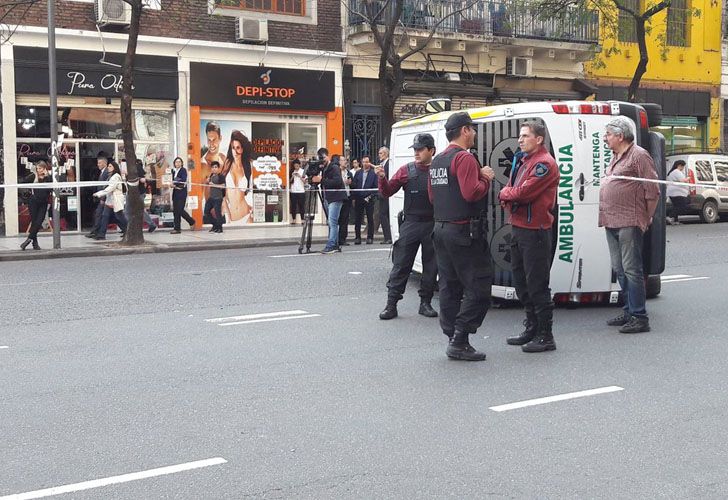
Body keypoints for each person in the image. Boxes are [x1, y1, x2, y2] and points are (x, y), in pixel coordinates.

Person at [428, 112, 494, 361]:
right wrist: (485, 178)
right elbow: (471, 193)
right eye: (472, 129)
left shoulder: (437, 161)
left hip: (441, 229)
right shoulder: (464, 158)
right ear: (465, 130)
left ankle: (452, 335)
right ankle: (460, 337)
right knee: (479, 285)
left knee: (449, 285)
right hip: (464, 230)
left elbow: (433, 197)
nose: (475, 134)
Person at [498, 121, 560, 353]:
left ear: (539, 139)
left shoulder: (544, 164)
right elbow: (515, 190)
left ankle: (546, 335)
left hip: (536, 231)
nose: (520, 140)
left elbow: (523, 193)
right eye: (520, 136)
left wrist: (506, 194)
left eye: (525, 136)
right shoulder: (525, 161)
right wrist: (509, 195)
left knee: (537, 284)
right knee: (522, 283)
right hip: (519, 226)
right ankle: (532, 327)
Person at [599, 117, 660, 334]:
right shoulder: (616, 156)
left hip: (629, 220)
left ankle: (639, 317)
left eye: (608, 134)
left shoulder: (639, 155)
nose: (605, 138)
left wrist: (647, 217)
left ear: (620, 136)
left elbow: (652, 190)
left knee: (632, 269)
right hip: (611, 220)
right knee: (620, 269)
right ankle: (629, 311)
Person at [377, 133, 438, 320]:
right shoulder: (406, 170)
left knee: (431, 266)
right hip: (411, 223)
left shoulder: (439, 170)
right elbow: (387, 191)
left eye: (420, 149)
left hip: (432, 223)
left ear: (431, 150)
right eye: (415, 149)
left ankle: (425, 303)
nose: (417, 153)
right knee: (401, 265)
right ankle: (391, 304)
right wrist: (381, 178)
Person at [311, 148, 346, 254]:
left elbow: (337, 182)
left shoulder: (334, 167)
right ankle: (334, 244)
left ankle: (331, 245)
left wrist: (321, 180)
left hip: (336, 197)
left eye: (324, 157)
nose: (322, 160)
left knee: (333, 221)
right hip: (328, 197)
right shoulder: (323, 168)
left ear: (328, 156)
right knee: (331, 222)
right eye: (320, 158)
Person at [92, 160, 128, 240]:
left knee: (119, 217)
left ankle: (129, 230)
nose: (108, 168)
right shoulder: (111, 176)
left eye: (110, 166)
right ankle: (101, 234)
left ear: (114, 168)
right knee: (105, 216)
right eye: (108, 166)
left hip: (115, 200)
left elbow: (110, 188)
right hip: (110, 200)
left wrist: (99, 194)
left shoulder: (115, 177)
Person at [223, 130, 253, 224]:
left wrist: (251, 205)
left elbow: (251, 188)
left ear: (242, 149)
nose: (235, 151)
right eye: (233, 148)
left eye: (238, 148)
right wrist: (227, 216)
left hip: (247, 215)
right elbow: (222, 193)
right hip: (231, 218)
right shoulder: (227, 164)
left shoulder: (248, 166)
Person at [20, 160, 51, 250]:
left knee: (39, 222)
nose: (38, 170)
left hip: (43, 202)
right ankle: (35, 244)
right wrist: (28, 193)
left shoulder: (48, 177)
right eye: (37, 168)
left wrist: (47, 176)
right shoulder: (33, 176)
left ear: (45, 168)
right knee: (34, 222)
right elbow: (22, 182)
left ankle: (28, 239)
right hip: (33, 201)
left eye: (40, 168)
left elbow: (51, 188)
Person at [124, 159, 157, 233]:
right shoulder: (133, 168)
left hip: (137, 192)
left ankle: (128, 227)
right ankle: (128, 226)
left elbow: (142, 179)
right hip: (134, 192)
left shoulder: (137, 167)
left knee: (133, 210)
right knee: (132, 210)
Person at [352, 155, 379, 244]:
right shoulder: (358, 173)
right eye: (363, 162)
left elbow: (376, 188)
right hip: (359, 198)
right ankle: (357, 237)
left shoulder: (373, 174)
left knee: (370, 218)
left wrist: (369, 197)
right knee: (358, 219)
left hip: (369, 199)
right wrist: (354, 198)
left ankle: (370, 237)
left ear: (370, 163)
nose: (365, 164)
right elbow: (354, 186)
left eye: (367, 162)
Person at [86, 152, 110, 238]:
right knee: (99, 214)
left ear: (105, 163)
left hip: (103, 198)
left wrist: (102, 198)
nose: (98, 165)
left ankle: (96, 232)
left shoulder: (106, 172)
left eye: (100, 163)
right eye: (98, 163)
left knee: (98, 214)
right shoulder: (101, 172)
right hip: (100, 197)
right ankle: (97, 232)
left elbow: (105, 186)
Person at [170, 156, 196, 234]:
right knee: (175, 211)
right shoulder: (174, 171)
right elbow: (170, 180)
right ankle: (177, 228)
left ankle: (191, 221)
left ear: (181, 163)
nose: (177, 163)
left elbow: (183, 180)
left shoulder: (183, 170)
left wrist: (174, 183)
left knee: (180, 210)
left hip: (181, 193)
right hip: (175, 193)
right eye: (176, 162)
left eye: (179, 162)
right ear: (174, 163)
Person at [375, 146, 393, 244]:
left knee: (383, 214)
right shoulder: (382, 164)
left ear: (386, 154)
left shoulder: (388, 164)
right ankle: (388, 236)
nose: (379, 155)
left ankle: (388, 237)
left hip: (386, 193)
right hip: (382, 192)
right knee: (384, 214)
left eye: (381, 153)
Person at [204, 161, 226, 233]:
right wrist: (207, 182)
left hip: (218, 198)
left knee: (217, 213)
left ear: (218, 168)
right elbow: (207, 184)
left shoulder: (221, 176)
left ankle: (220, 228)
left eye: (216, 167)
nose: (214, 169)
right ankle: (215, 225)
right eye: (213, 167)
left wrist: (213, 184)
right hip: (211, 197)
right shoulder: (211, 176)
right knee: (206, 212)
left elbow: (223, 186)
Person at [666, 160, 689, 225]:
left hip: (674, 192)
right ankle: (670, 216)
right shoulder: (676, 172)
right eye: (683, 166)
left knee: (676, 206)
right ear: (679, 165)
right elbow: (682, 180)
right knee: (681, 206)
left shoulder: (673, 172)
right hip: (677, 193)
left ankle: (675, 220)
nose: (683, 168)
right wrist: (688, 178)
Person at [338, 156, 354, 246]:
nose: (345, 162)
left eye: (346, 160)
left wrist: (350, 183)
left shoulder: (348, 172)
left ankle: (343, 238)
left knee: (345, 218)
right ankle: (336, 238)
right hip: (339, 197)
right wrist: (343, 182)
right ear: (339, 162)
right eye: (343, 160)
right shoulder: (337, 172)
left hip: (347, 197)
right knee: (338, 218)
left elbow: (354, 184)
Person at [289, 159, 306, 224]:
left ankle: (302, 219)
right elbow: (290, 182)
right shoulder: (291, 171)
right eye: (295, 166)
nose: (296, 167)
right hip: (293, 191)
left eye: (297, 166)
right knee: (293, 206)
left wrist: (299, 176)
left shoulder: (302, 171)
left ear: (299, 165)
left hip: (301, 191)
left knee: (301, 206)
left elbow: (305, 181)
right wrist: (292, 176)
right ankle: (293, 219)